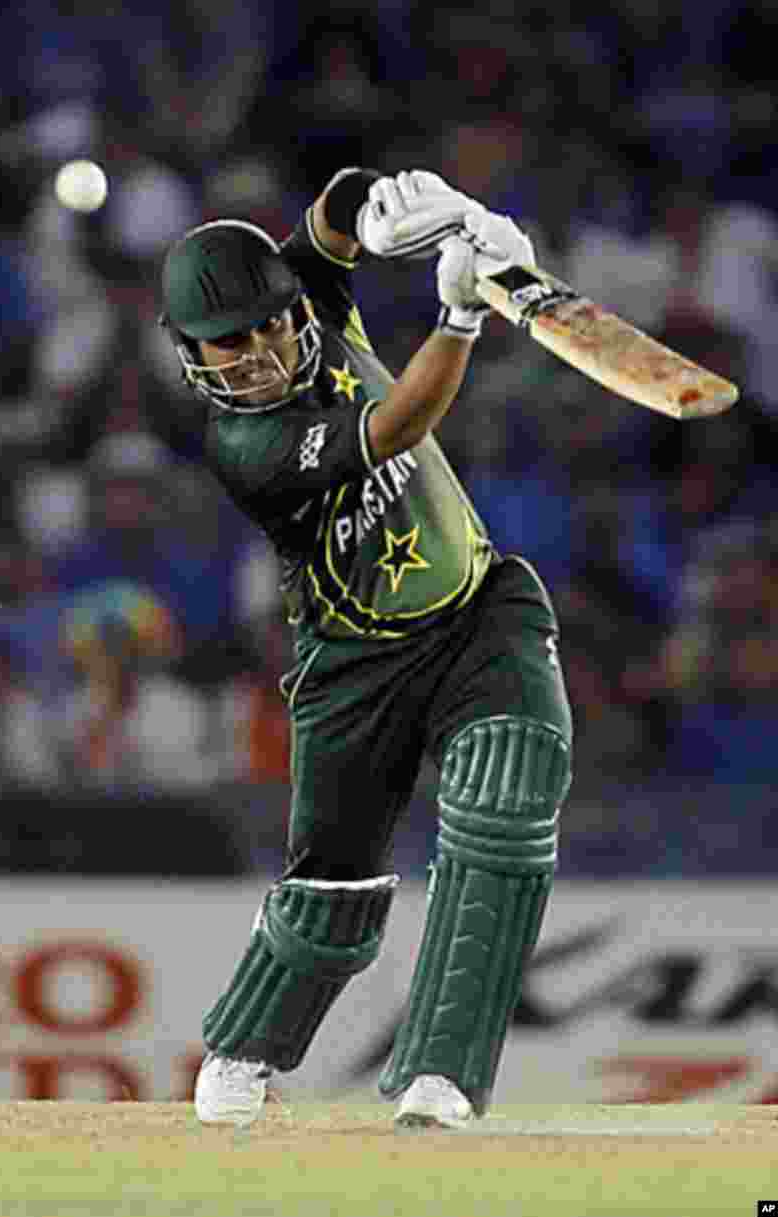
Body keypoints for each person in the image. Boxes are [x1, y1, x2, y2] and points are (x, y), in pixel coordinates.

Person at [159, 167, 573, 1129]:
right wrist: (461, 315)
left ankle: (440, 1076)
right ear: (191, 353)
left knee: (509, 789)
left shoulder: (307, 297)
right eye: (230, 341)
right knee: (334, 896)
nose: (261, 350)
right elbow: (397, 424)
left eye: (270, 324)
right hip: (355, 664)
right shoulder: (246, 446)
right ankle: (244, 1049)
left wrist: (422, 214)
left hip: (476, 610)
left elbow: (339, 203)